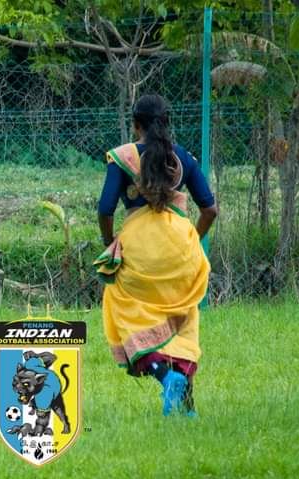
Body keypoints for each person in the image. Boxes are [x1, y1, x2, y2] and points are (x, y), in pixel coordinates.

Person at [94, 94, 219, 417]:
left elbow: (105, 209)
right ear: (167, 123)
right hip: (182, 245)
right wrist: (193, 239)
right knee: (184, 318)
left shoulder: (121, 157)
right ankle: (187, 406)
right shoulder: (184, 158)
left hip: (138, 247)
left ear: (136, 125)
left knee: (124, 311)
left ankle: (166, 377)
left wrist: (111, 245)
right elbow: (210, 209)